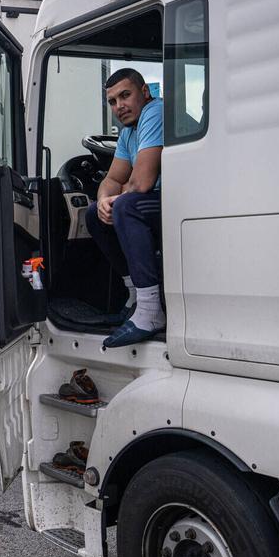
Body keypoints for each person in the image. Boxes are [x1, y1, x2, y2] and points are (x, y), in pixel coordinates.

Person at [86, 68, 164, 347]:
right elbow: (112, 180)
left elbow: (140, 183)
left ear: (145, 92)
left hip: (184, 201)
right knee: (94, 214)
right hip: (157, 203)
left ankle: (151, 311)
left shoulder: (155, 112)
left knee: (126, 206)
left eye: (125, 95)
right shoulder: (128, 132)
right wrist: (103, 201)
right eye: (112, 101)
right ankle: (134, 298)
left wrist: (116, 200)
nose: (119, 106)